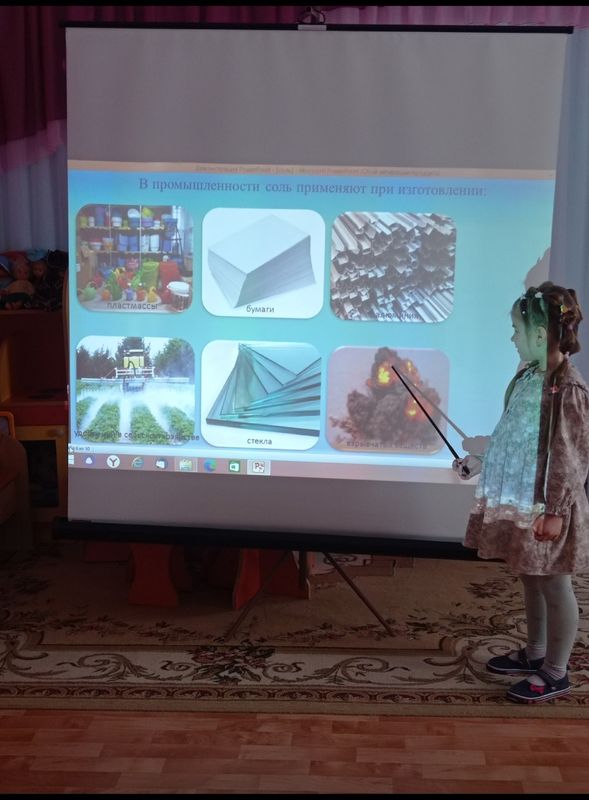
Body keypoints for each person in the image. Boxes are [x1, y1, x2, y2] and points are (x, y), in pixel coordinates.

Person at [453, 282, 589, 703]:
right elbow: (512, 431)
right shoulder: (528, 375)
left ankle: (556, 671)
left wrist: (556, 510)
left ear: (541, 333)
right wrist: (481, 459)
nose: (512, 337)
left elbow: (570, 455)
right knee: (530, 577)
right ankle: (535, 652)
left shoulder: (567, 388)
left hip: (548, 506)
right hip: (525, 499)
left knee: (554, 584)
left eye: (517, 329)